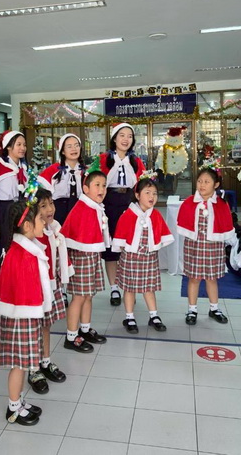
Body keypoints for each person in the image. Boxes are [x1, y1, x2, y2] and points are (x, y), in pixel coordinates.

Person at [0, 201, 51, 426]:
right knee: (19, 364)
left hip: (24, 315)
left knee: (23, 363)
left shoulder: (25, 249)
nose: (44, 222)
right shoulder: (21, 254)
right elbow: (15, 286)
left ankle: (19, 402)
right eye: (40, 219)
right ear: (26, 226)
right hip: (21, 317)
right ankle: (13, 408)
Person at [112, 175, 174, 334]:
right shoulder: (128, 214)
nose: (152, 196)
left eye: (154, 193)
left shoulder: (155, 214)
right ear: (137, 195)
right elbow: (121, 233)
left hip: (149, 257)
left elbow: (162, 232)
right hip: (130, 257)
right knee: (129, 288)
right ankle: (129, 317)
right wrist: (122, 247)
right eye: (147, 193)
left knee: (149, 287)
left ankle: (154, 316)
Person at [60, 169, 110, 352]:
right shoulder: (82, 208)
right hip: (81, 256)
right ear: (86, 188)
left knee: (89, 295)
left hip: (92, 255)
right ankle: (71, 336)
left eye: (104, 185)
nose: (101, 189)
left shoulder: (95, 207)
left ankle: (85, 329)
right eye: (97, 185)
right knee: (79, 296)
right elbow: (74, 234)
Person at [177, 167, 234, 326]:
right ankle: (192, 310)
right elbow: (183, 220)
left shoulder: (221, 204)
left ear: (216, 184)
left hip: (214, 246)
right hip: (194, 246)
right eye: (200, 181)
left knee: (211, 278)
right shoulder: (189, 202)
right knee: (194, 278)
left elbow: (225, 223)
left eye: (207, 182)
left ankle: (214, 308)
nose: (202, 185)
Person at [99, 123, 145, 306]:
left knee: (129, 246)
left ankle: (128, 286)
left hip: (129, 202)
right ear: (114, 138)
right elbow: (94, 181)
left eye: (129, 136)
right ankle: (114, 288)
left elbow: (142, 184)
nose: (126, 139)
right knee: (111, 248)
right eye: (122, 135)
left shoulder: (136, 161)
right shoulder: (103, 159)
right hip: (109, 202)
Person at [30, 188, 71, 393]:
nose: (50, 209)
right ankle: (32, 368)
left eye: (51, 204)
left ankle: (45, 361)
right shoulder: (31, 235)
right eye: (43, 206)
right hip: (34, 290)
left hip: (51, 286)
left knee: (46, 325)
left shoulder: (53, 229)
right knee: (33, 329)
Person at [0, 130, 28, 268]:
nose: (22, 148)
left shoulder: (23, 168)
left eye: (24, 144)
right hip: (3, 213)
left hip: (20, 210)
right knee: (4, 249)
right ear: (8, 147)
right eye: (18, 144)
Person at [38, 133, 85, 225]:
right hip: (58, 212)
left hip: (80, 211)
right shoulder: (52, 170)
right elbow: (40, 192)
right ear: (62, 151)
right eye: (69, 146)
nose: (74, 149)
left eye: (76, 145)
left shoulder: (86, 171)